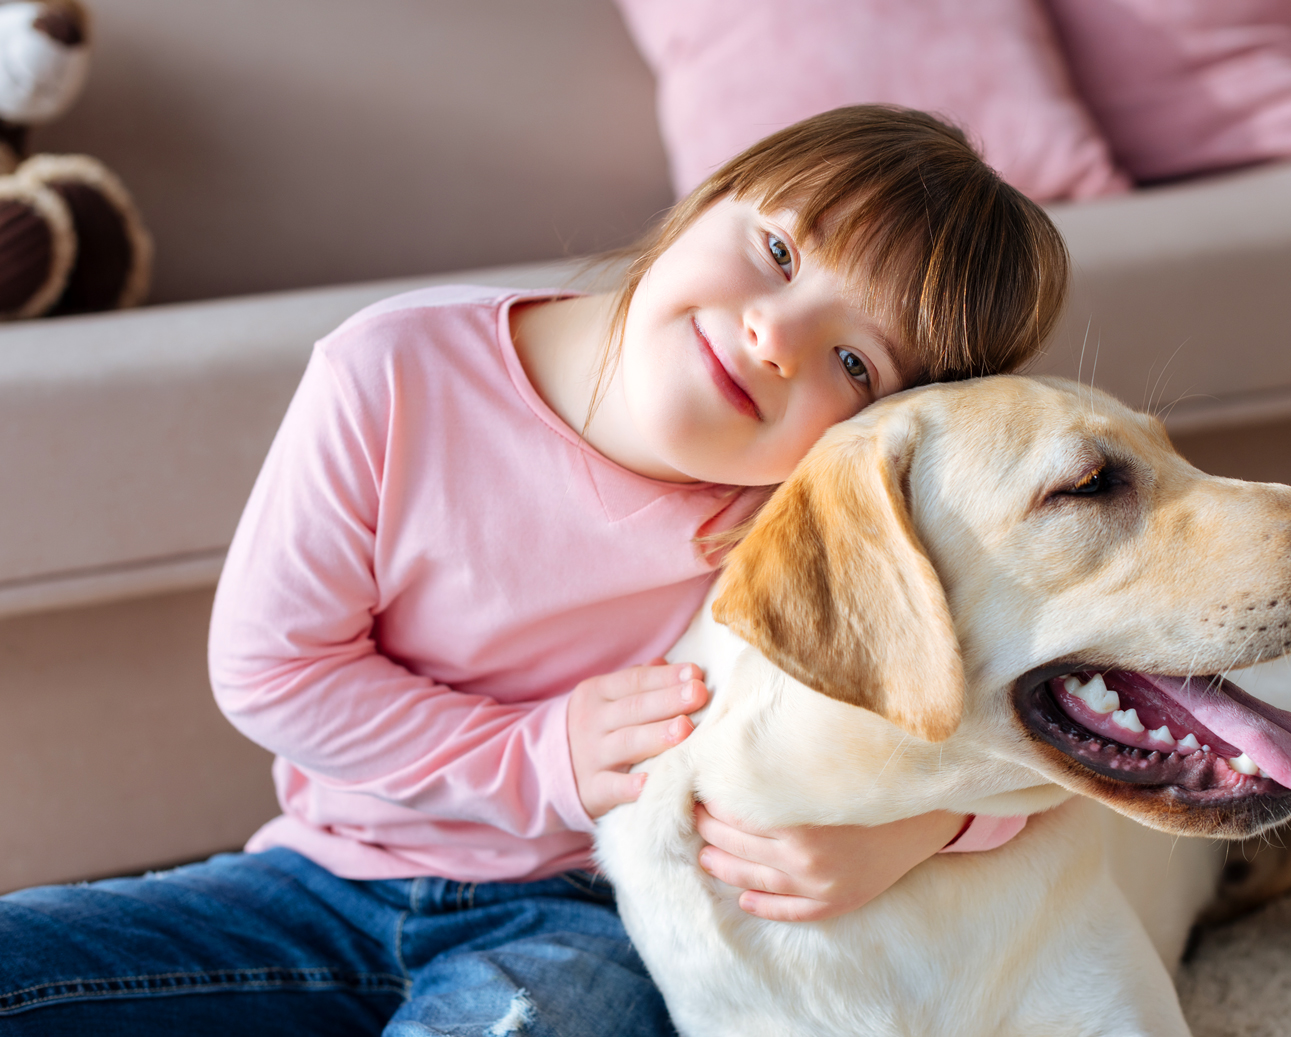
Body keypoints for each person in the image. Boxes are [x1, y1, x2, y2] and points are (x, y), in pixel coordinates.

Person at [0, 105, 1070, 1036]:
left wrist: (914, 832)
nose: (773, 335)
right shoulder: (393, 369)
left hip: (587, 919)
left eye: (854, 362)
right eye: (781, 254)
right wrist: (542, 752)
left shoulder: (812, 529)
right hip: (317, 880)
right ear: (710, 197)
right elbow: (274, 671)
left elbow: (1030, 735)